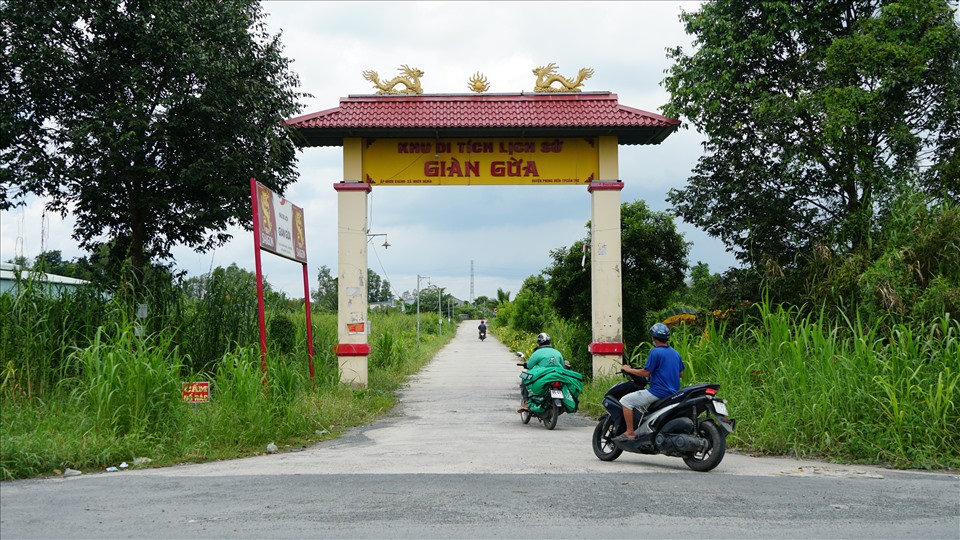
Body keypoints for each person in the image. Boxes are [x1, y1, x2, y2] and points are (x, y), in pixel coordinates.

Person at [613, 323, 684, 441]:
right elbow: (681, 374)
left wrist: (629, 369)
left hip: (658, 392)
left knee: (626, 401)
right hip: (673, 393)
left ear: (653, 338)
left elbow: (646, 373)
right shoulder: (675, 353)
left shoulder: (655, 352)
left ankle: (630, 432)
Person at [517, 332, 565, 412]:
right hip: (557, 375)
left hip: (543, 376)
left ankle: (526, 402)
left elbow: (529, 365)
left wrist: (526, 364)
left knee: (524, 379)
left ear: (539, 342)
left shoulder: (537, 353)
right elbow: (562, 366)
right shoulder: (557, 352)